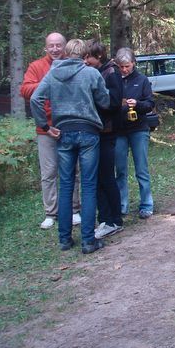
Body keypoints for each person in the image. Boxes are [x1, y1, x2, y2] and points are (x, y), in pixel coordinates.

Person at [30, 39, 109, 254]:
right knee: (88, 185)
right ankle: (88, 241)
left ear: (65, 53)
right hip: (88, 132)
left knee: (65, 185)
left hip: (63, 133)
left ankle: (65, 239)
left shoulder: (53, 73)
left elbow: (35, 99)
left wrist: (45, 126)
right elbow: (104, 101)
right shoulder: (91, 73)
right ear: (84, 55)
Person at [20, 32, 82, 229]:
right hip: (45, 129)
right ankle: (51, 213)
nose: (55, 49)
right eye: (51, 46)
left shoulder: (72, 64)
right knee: (48, 173)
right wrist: (48, 82)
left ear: (65, 46)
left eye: (58, 45)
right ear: (45, 47)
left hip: (69, 125)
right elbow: (25, 90)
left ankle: (74, 210)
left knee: (73, 170)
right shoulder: (36, 66)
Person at [84, 41, 124, 238]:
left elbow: (115, 102)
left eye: (88, 57)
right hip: (96, 132)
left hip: (107, 132)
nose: (85, 61)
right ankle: (104, 218)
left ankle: (114, 220)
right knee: (98, 177)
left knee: (107, 177)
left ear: (98, 56)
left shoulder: (112, 73)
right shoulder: (98, 72)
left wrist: (96, 102)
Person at [114, 48, 155, 219]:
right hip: (118, 130)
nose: (124, 70)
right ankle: (121, 205)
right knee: (120, 170)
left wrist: (137, 104)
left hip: (138, 129)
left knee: (141, 169)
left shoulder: (142, 80)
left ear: (133, 63)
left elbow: (150, 103)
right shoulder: (113, 79)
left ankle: (146, 204)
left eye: (127, 66)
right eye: (121, 66)